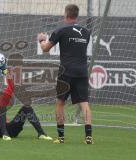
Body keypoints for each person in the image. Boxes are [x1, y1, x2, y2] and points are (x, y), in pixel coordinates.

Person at [37, 4, 93, 144]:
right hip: (82, 71)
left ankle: (61, 137)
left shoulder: (61, 30)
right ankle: (88, 137)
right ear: (77, 16)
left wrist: (42, 39)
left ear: (66, 15)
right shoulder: (86, 32)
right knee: (84, 103)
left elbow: (45, 49)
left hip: (66, 72)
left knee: (60, 102)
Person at [0, 55, 52, 141]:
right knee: (2, 107)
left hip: (10, 130)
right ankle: (4, 134)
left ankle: (41, 133)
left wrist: (5, 70)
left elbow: (11, 86)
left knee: (26, 108)